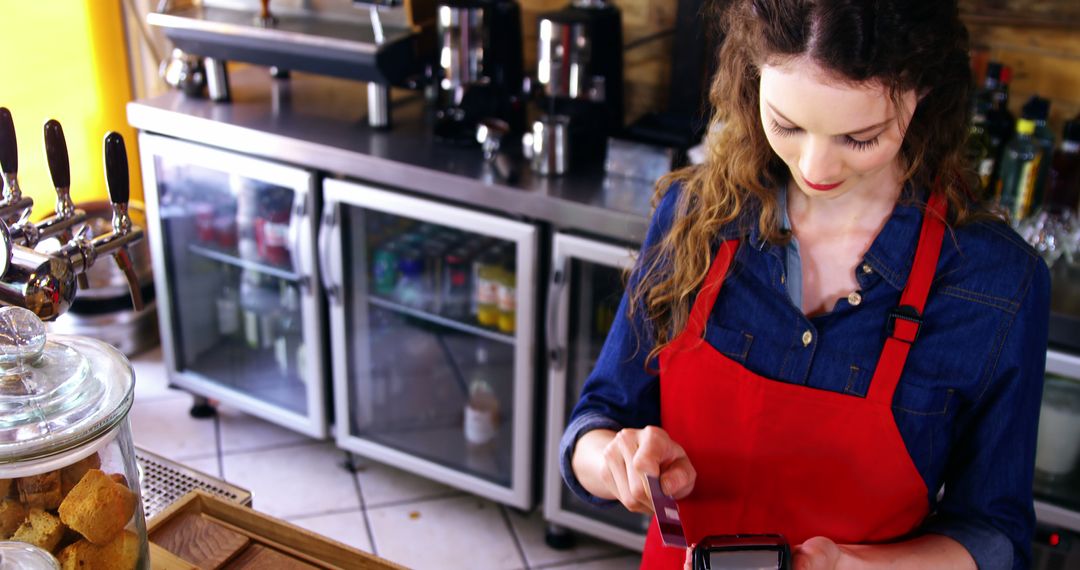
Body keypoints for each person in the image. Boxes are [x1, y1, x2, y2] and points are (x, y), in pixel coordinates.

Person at [559, 1, 1050, 569]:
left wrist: (858, 567)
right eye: (786, 125)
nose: (815, 167)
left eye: (860, 137)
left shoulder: (997, 284)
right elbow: (596, 420)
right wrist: (612, 461)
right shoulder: (697, 217)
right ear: (753, 79)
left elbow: (995, 534)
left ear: (922, 93)